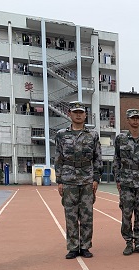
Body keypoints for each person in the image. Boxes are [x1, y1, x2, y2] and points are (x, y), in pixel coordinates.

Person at [54, 101, 102, 259]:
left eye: (81, 112)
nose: (78, 115)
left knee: (87, 215)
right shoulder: (61, 135)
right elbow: (58, 158)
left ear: (85, 115)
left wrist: (96, 178)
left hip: (87, 179)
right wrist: (59, 180)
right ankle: (73, 247)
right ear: (69, 114)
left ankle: (85, 246)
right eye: (75, 112)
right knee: (71, 215)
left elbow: (97, 158)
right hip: (68, 180)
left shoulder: (92, 135)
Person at [113, 109, 139, 256]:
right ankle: (128, 242)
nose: (135, 121)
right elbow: (117, 160)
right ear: (128, 120)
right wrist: (117, 179)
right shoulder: (121, 139)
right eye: (133, 118)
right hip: (126, 181)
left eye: (137, 118)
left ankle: (138, 241)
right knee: (126, 213)